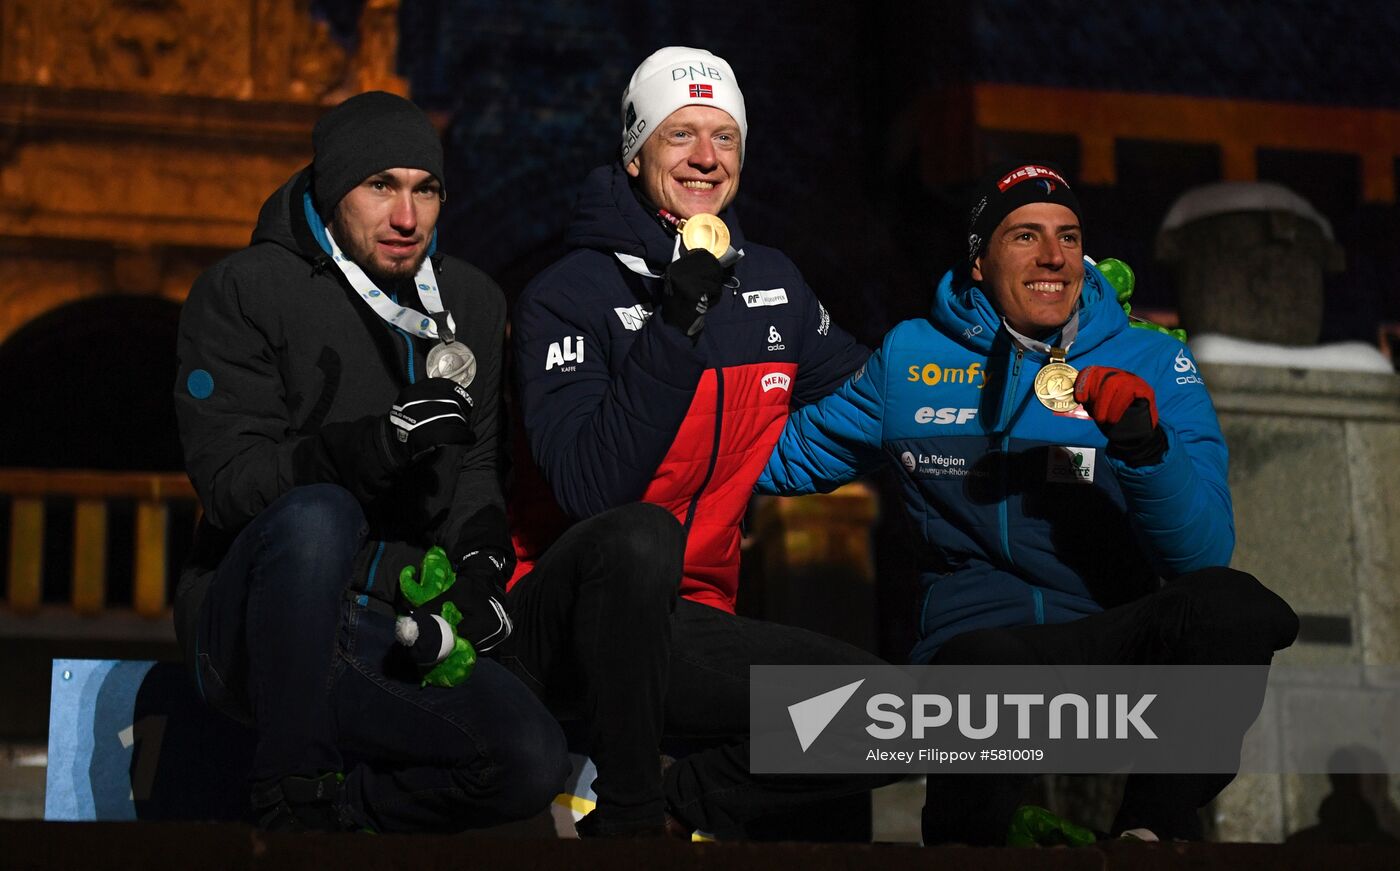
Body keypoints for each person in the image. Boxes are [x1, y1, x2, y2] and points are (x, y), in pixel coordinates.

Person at [757, 161, 1299, 844]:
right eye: (1026, 236)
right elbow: (783, 456)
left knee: (1238, 606)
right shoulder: (911, 357)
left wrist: (1143, 445)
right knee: (982, 667)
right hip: (977, 650)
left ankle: (1151, 830)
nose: (1054, 256)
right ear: (980, 261)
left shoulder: (1153, 360)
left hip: (1106, 640)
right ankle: (971, 841)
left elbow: (1201, 552)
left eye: (1069, 236)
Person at [505, 46, 891, 838]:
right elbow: (591, 487)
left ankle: (670, 803)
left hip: (690, 620)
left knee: (893, 714)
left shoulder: (770, 285)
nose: (707, 159)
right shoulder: (568, 292)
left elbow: (874, 394)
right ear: (635, 151)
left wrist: (990, 365)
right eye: (681, 135)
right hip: (564, 616)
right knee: (643, 532)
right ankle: (632, 809)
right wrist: (676, 320)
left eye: (726, 137)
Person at [172, 91, 571, 832]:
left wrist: (481, 566)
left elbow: (478, 470)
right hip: (254, 620)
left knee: (530, 755)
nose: (406, 217)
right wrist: (373, 444)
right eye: (381, 186)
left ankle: (336, 811)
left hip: (390, 625)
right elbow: (231, 487)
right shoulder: (242, 291)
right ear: (332, 192)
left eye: (426, 189)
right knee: (321, 513)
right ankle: (291, 786)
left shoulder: (473, 304)